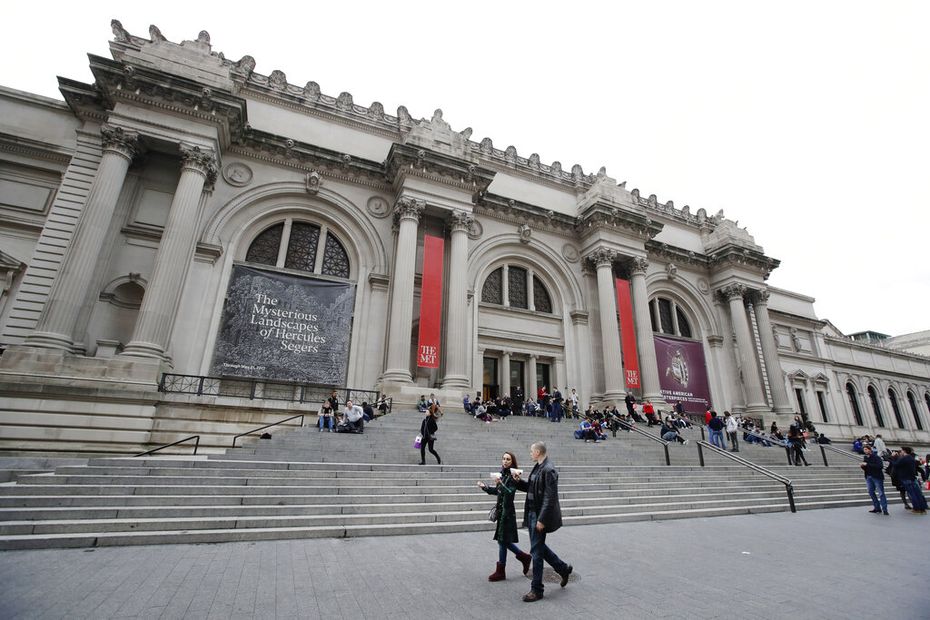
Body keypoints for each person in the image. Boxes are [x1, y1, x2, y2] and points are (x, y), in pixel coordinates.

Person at [512, 442, 572, 602]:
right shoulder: (538, 467)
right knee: (539, 548)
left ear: (538, 452)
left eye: (531, 451)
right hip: (532, 513)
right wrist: (518, 481)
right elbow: (531, 488)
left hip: (539, 515)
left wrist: (542, 519)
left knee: (537, 553)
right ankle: (563, 569)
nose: (530, 453)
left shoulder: (548, 469)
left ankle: (537, 589)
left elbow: (550, 498)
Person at [478, 452, 532, 581]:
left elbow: (509, 492)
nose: (505, 461)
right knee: (503, 541)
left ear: (512, 462)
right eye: (503, 459)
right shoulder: (502, 475)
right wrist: (485, 487)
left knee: (502, 541)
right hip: (501, 512)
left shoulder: (514, 476)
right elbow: (498, 492)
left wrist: (500, 483)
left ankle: (502, 570)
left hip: (508, 514)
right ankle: (523, 557)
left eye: (508, 459)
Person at [892, 447, 928, 515]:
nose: (901, 452)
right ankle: (922, 509)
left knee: (912, 494)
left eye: (902, 451)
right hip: (912, 478)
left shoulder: (905, 458)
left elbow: (895, 464)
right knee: (918, 494)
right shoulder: (911, 458)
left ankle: (917, 509)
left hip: (906, 478)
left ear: (904, 451)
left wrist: (893, 457)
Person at [860, 445, 888, 515]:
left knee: (881, 493)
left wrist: (867, 464)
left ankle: (884, 509)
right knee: (870, 491)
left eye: (866, 449)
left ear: (870, 450)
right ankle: (877, 507)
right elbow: (867, 468)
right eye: (864, 450)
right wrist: (863, 467)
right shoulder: (865, 457)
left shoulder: (876, 457)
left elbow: (880, 466)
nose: (865, 451)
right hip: (868, 476)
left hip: (877, 477)